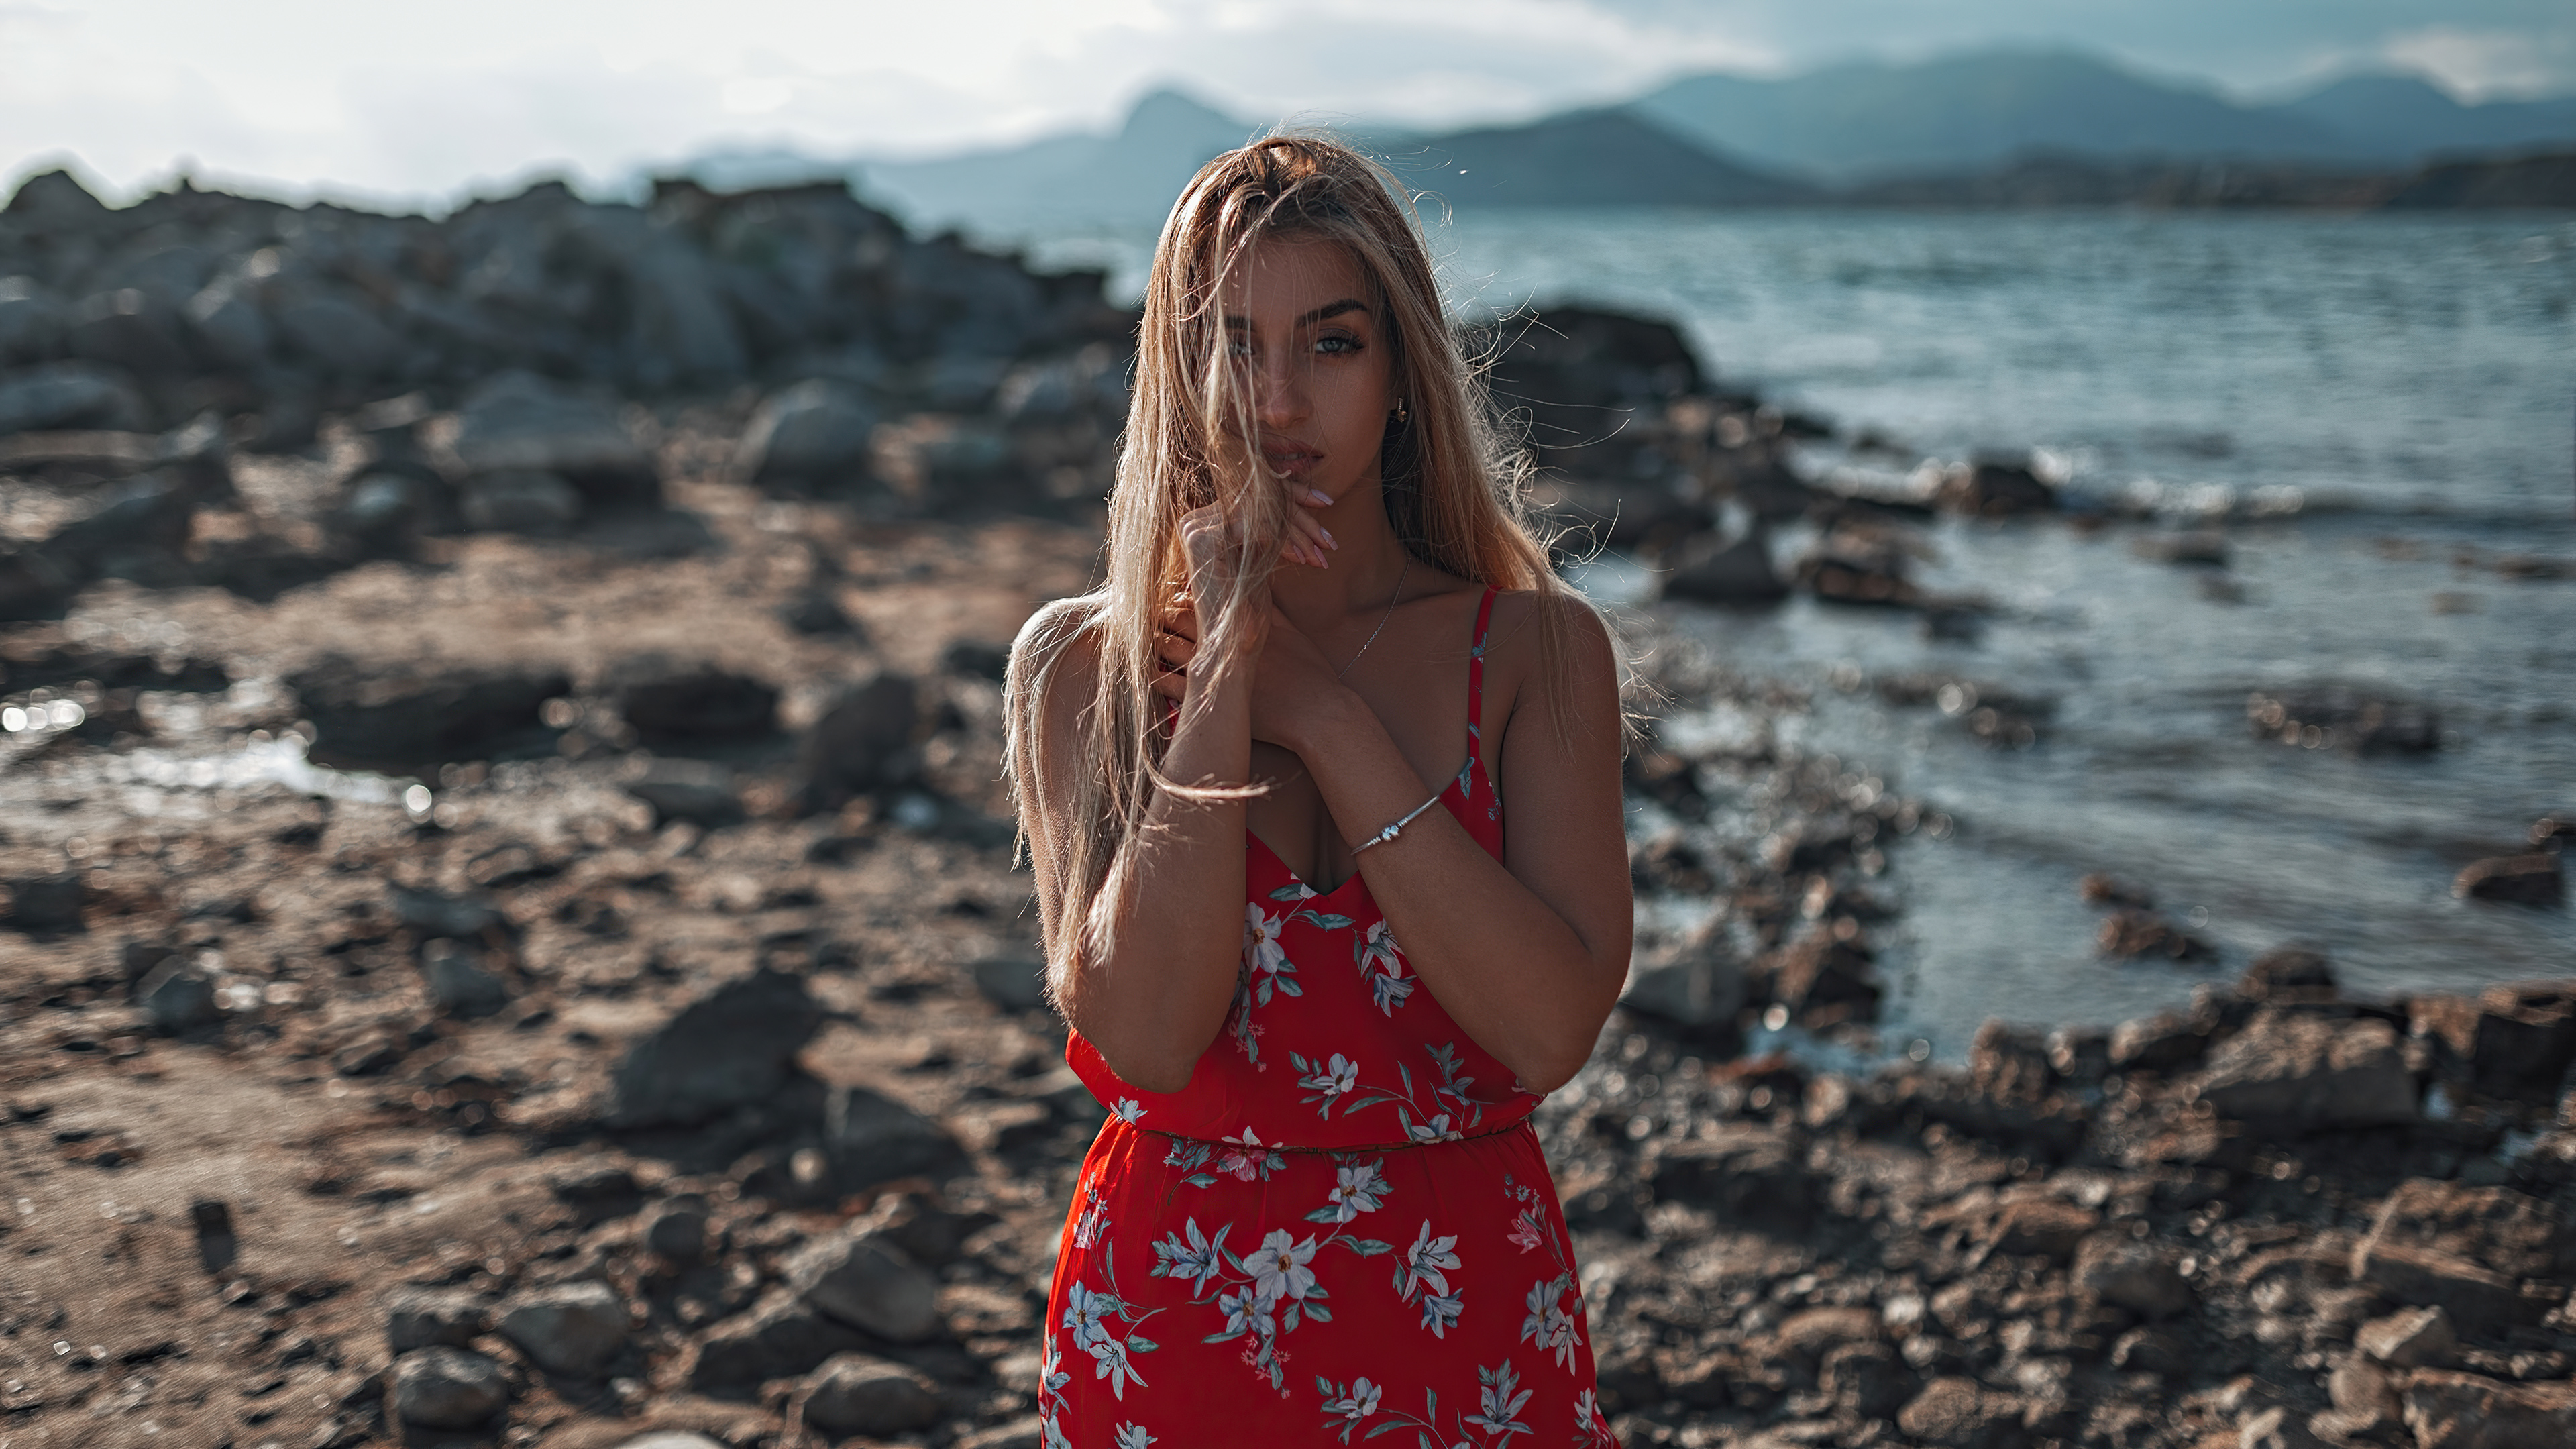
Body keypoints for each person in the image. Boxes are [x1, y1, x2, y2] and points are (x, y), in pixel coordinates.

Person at [1004, 133, 1633, 1445]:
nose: (1274, 398)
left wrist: (1330, 719)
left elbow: (1546, 1034)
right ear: (1175, 370)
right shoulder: (1082, 669)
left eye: (1329, 343)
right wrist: (1225, 676)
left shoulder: (1535, 652)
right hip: (1172, 1345)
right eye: (1230, 342)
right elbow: (1149, 1038)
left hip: (1467, 1332)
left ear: (1402, 369)